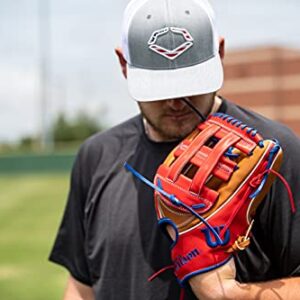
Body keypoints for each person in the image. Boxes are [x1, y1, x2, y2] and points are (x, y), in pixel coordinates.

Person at [49, 0, 300, 299]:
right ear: (123, 65)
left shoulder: (272, 153)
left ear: (219, 55)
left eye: (190, 81)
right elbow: (81, 285)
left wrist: (233, 295)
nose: (177, 101)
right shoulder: (96, 156)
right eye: (159, 87)